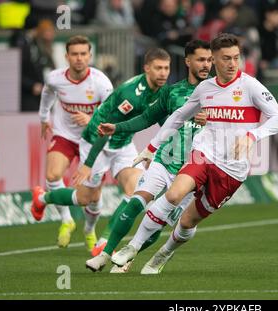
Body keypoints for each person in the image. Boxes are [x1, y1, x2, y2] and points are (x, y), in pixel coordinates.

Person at [122, 33, 278, 275]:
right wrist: (152, 147)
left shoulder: (250, 85)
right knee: (173, 194)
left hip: (232, 170)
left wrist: (252, 136)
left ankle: (164, 253)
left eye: (236, 58)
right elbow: (178, 116)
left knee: (187, 222)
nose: (232, 64)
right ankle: (132, 247)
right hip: (203, 154)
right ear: (214, 60)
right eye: (226, 59)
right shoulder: (205, 88)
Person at [84, 39, 212, 272]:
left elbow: (234, 125)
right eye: (201, 59)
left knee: (158, 220)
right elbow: (146, 118)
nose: (206, 65)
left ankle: (129, 256)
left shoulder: (218, 94)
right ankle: (105, 254)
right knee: (136, 201)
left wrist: (213, 119)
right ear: (188, 61)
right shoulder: (172, 92)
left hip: (192, 171)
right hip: (164, 161)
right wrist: (117, 127)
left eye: (210, 60)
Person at [30, 48, 171, 253]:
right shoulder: (131, 95)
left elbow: (164, 123)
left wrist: (157, 149)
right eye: (158, 68)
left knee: (137, 190)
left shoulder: (162, 92)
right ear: (147, 68)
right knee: (85, 198)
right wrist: (88, 164)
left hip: (123, 145)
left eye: (166, 68)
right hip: (96, 140)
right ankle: (42, 198)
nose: (163, 73)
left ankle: (104, 242)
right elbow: (105, 129)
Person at [37, 35, 113, 249]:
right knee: (52, 174)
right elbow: (47, 93)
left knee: (92, 197)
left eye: (83, 54)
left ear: (90, 56)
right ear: (66, 57)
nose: (79, 58)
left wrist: (91, 120)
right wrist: (44, 118)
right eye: (74, 54)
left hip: (92, 140)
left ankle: (89, 230)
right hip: (65, 135)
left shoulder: (101, 83)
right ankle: (66, 220)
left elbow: (112, 117)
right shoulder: (55, 78)